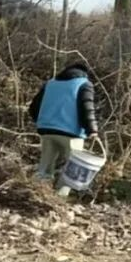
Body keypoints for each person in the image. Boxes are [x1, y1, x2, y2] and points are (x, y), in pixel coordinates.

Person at [29, 62, 98, 195]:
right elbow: (87, 108)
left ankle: (38, 193)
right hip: (71, 133)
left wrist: (42, 121)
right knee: (71, 170)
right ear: (85, 73)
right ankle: (60, 198)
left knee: (45, 166)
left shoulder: (51, 83)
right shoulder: (84, 83)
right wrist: (92, 130)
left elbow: (33, 107)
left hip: (47, 130)